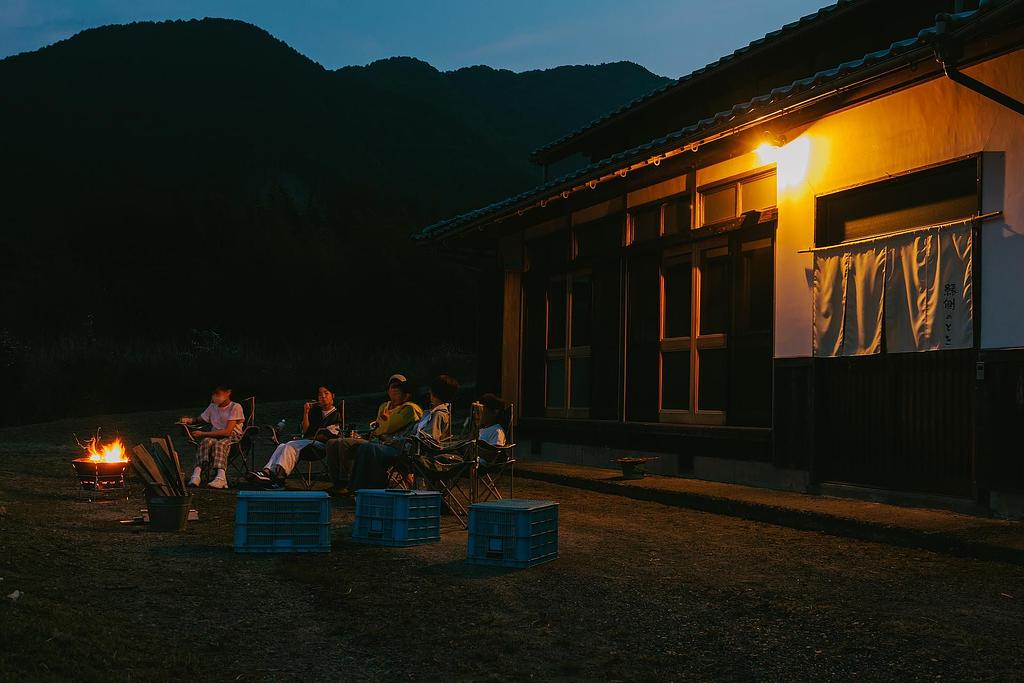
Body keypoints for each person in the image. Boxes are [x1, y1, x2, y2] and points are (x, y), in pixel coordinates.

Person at [347, 374, 459, 493]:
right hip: (405, 448)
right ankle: (359, 490)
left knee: (370, 448)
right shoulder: (432, 412)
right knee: (366, 448)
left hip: (412, 454)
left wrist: (397, 441)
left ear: (434, 392)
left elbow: (427, 440)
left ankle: (367, 491)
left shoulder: (439, 414)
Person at [324, 373, 422, 495]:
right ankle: (338, 484)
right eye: (393, 386)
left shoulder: (409, 408)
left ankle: (348, 482)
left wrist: (383, 424)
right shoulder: (384, 406)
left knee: (345, 444)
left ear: (405, 391)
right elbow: (376, 430)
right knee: (332, 443)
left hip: (392, 445)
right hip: (376, 440)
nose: (395, 389)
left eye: (399, 386)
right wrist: (378, 429)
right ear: (388, 390)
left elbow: (384, 428)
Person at [248, 385, 343, 488]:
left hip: (321, 446)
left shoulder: (336, 414)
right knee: (282, 446)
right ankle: (267, 472)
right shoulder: (315, 412)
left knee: (290, 446)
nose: (323, 396)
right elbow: (306, 430)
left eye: (326, 393)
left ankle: (280, 478)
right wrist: (306, 413)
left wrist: (306, 439)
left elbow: (327, 436)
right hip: (308, 443)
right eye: (320, 394)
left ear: (332, 396)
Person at [179, 384, 245, 489]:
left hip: (233, 439)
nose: (215, 397)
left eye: (218, 394)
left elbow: (227, 432)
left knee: (219, 444)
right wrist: (188, 420)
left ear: (228, 393)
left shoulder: (235, 407)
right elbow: (199, 419)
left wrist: (203, 433)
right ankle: (196, 474)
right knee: (206, 441)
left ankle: (221, 477)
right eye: (213, 394)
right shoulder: (212, 406)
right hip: (215, 436)